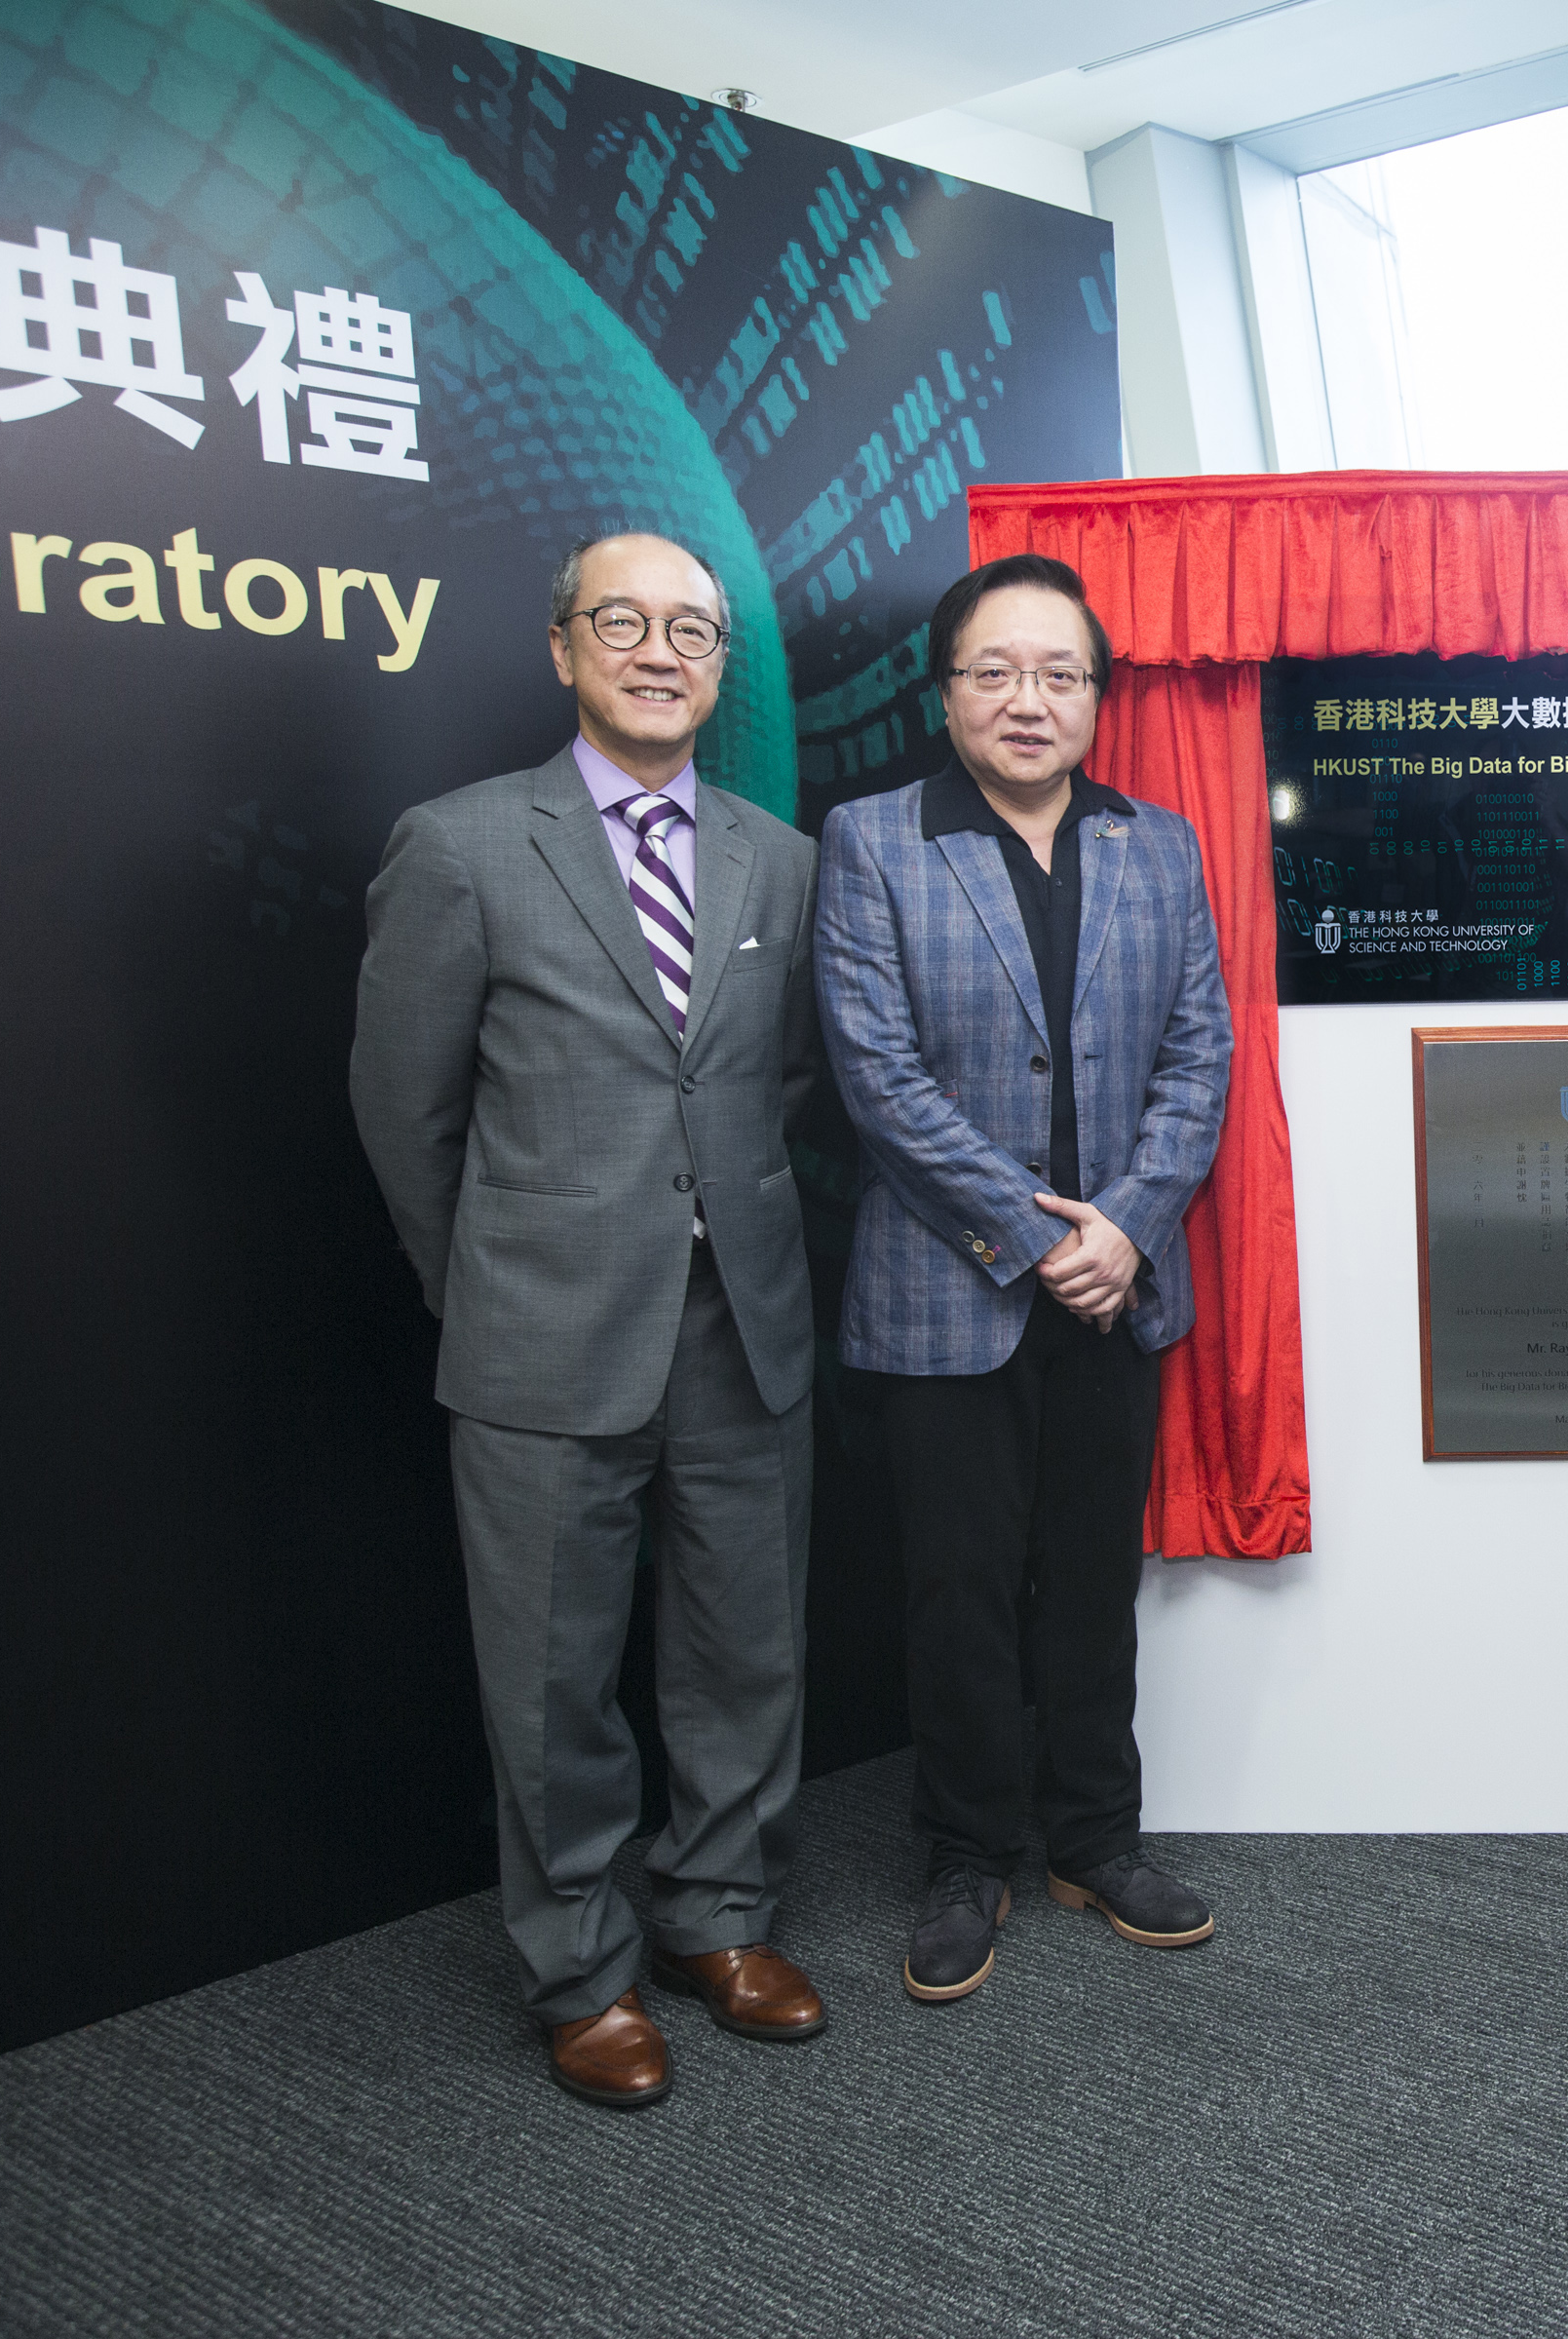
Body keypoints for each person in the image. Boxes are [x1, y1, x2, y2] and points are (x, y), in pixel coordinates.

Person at [352, 532, 829, 2109]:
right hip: (544, 1330)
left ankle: (719, 1917)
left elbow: (783, 1086)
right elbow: (405, 1111)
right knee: (551, 1679)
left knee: (741, 1651)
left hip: (741, 1322)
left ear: (715, 668)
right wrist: (485, 1279)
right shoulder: (465, 845)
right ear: (563, 649)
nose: (659, 649)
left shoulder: (780, 856)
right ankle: (581, 1969)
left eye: (692, 629)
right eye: (622, 621)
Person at [816, 553, 1233, 2004]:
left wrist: (1124, 1224)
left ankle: (1094, 1839)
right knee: (958, 1591)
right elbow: (877, 1076)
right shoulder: (874, 842)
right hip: (949, 1289)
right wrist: (1041, 1232)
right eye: (995, 671)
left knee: (1091, 1581)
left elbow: (1201, 1057)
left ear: (1097, 698)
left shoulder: (1157, 845)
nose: (1028, 699)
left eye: (1059, 673)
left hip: (1122, 1288)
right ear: (947, 691)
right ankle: (965, 1857)